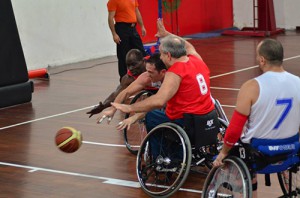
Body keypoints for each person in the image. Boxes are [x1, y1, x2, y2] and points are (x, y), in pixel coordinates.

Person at [111, 19, 220, 149]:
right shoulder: (197, 60)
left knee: (152, 116)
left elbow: (159, 101)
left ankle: (161, 156)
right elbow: (189, 46)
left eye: (162, 54)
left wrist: (130, 108)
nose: (160, 57)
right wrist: (167, 34)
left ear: (168, 55)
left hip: (187, 121)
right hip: (208, 116)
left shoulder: (175, 72)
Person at [213, 39, 300, 197]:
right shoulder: (298, 83)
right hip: (291, 149)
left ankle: (249, 189)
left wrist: (223, 152)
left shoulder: (252, 86)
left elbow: (234, 129)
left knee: (227, 153)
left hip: (260, 152)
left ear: (262, 60)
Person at [97, 52, 167, 129]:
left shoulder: (170, 79)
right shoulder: (145, 76)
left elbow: (158, 103)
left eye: (151, 72)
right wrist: (112, 109)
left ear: (162, 72)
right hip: (155, 93)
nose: (148, 74)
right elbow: (125, 92)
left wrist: (135, 117)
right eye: (147, 71)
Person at [86, 49, 145, 118]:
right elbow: (116, 94)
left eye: (133, 64)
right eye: (128, 66)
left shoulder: (154, 66)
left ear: (143, 61)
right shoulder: (128, 78)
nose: (130, 68)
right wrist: (103, 106)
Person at [107, 0, 147, 80]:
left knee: (141, 53)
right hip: (122, 28)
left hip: (133, 28)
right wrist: (114, 34)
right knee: (123, 56)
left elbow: (137, 11)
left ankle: (143, 75)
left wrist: (142, 26)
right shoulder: (113, 1)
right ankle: (123, 79)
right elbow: (110, 18)